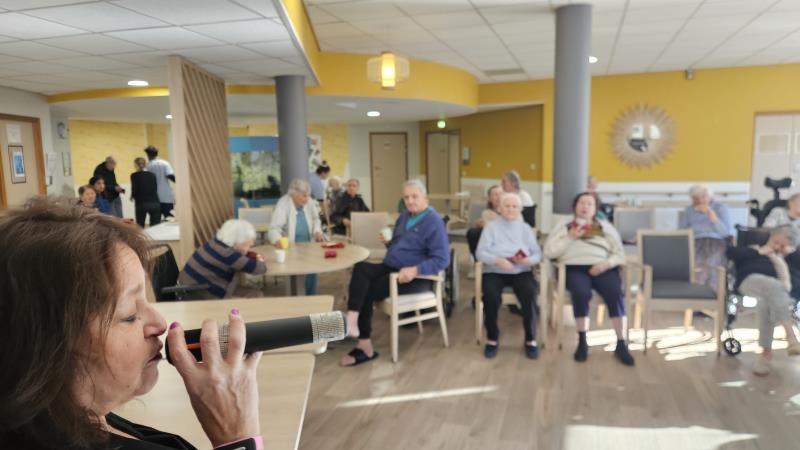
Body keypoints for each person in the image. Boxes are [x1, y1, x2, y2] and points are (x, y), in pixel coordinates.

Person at [0, 198, 264, 450]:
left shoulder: (73, 416)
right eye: (129, 314)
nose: (160, 323)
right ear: (49, 345)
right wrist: (237, 435)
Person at [340, 180, 450, 367]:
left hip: (414, 278)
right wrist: (389, 243)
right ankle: (352, 319)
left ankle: (364, 345)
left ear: (425, 197)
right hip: (391, 266)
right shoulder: (404, 216)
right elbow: (401, 246)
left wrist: (415, 269)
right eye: (406, 197)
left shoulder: (434, 222)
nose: (410, 201)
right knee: (361, 268)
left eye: (414, 196)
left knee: (366, 289)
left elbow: (442, 259)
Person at [544, 192, 635, 366]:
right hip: (574, 267)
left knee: (615, 292)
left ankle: (621, 343)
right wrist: (570, 237)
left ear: (595, 209)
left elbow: (619, 254)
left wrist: (606, 264)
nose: (585, 207)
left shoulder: (605, 227)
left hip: (603, 267)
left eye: (589, 204)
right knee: (581, 293)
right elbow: (549, 252)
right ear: (575, 206)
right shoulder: (563, 226)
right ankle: (582, 341)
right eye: (581, 203)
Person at [476, 192, 542, 359]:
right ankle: (492, 338)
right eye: (507, 206)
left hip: (521, 270)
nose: (510, 209)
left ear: (520, 209)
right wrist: (497, 260)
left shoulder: (525, 229)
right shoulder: (491, 227)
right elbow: (480, 253)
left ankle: (530, 339)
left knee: (529, 292)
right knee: (490, 294)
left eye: (514, 206)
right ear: (499, 208)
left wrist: (528, 261)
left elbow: (537, 254)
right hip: (495, 270)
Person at [727, 225, 800, 376]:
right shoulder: (754, 250)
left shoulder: (790, 258)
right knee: (772, 285)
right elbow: (730, 252)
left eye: (783, 245)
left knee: (766, 303)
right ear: (770, 238)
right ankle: (790, 335)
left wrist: (790, 254)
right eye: (776, 242)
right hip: (751, 281)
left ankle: (765, 355)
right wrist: (759, 252)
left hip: (779, 293)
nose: (777, 247)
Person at [179, 219, 267, 299]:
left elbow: (242, 258)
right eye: (248, 242)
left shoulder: (214, 243)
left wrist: (247, 253)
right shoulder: (229, 255)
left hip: (191, 289)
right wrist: (259, 258)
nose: (251, 244)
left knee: (253, 293)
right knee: (256, 295)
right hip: (204, 296)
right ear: (238, 241)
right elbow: (260, 268)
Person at [268, 179, 325, 294]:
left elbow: (316, 219)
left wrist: (317, 231)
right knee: (295, 274)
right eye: (304, 196)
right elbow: (274, 228)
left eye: (308, 195)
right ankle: (295, 298)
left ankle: (311, 297)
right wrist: (277, 240)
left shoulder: (309, 201)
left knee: (312, 270)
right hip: (291, 246)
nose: (307, 198)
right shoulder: (283, 204)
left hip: (309, 244)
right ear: (294, 194)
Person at [679, 185, 732, 291]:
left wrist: (714, 219)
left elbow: (725, 233)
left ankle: (714, 294)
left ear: (709, 196)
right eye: (696, 198)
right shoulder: (689, 210)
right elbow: (681, 231)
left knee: (713, 260)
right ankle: (697, 293)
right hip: (696, 241)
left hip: (716, 241)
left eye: (703, 197)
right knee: (696, 263)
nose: (700, 201)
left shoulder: (720, 208)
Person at [467, 185, 503, 258]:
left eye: (501, 194)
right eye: (495, 195)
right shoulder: (486, 213)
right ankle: (478, 259)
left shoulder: (511, 210)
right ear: (490, 199)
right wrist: (480, 224)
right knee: (473, 232)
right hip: (490, 237)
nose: (499, 197)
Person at [144, 145, 176, 220]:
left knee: (155, 221)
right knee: (169, 220)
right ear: (157, 153)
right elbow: (170, 175)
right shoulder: (164, 163)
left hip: (153, 199)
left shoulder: (147, 166)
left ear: (148, 155)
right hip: (166, 198)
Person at [130, 157, 161, 228]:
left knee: (140, 226)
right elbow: (155, 188)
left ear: (136, 165)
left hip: (142, 203)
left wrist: (132, 196)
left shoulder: (134, 175)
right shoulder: (153, 175)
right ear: (145, 164)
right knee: (155, 227)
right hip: (155, 203)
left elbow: (135, 189)